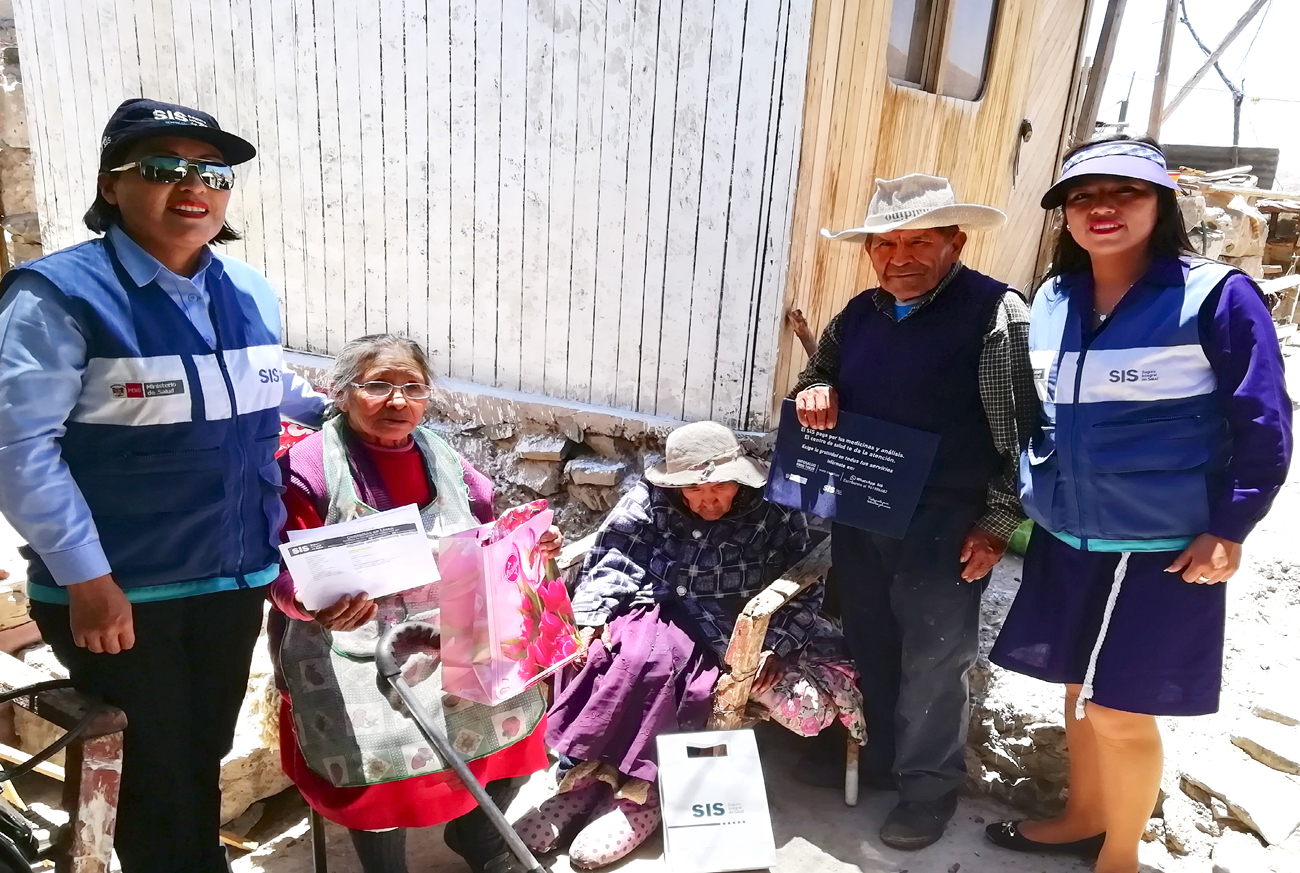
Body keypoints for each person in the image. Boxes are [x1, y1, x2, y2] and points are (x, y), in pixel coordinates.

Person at [0, 99, 328, 873]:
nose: (193, 187)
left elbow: (268, 397)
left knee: (201, 748)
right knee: (152, 766)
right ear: (112, 187)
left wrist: (366, 414)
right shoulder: (56, 297)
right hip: (122, 589)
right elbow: (19, 450)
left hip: (232, 572)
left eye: (211, 173)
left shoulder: (247, 288)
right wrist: (86, 577)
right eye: (162, 168)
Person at [985, 136, 1292, 873]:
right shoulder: (1053, 300)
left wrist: (1231, 525)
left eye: (1126, 192)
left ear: (1162, 205)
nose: (1103, 209)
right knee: (1075, 690)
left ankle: (1120, 854)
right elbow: (1046, 418)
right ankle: (1083, 816)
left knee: (1121, 707)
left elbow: (1265, 421)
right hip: (1067, 536)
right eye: (1084, 197)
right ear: (1064, 216)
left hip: (1161, 546)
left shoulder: (1214, 295)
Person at [793, 173, 1038, 849]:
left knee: (935, 657)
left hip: (947, 523)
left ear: (955, 242)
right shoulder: (860, 313)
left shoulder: (995, 315)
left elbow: (1020, 434)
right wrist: (814, 390)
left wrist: (996, 522)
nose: (899, 256)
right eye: (884, 242)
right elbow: (819, 375)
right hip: (864, 510)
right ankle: (875, 759)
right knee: (870, 638)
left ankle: (928, 789)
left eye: (919, 240)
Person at [269, 333, 561, 873]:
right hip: (352, 643)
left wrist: (531, 543)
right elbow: (280, 571)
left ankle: (480, 840)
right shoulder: (307, 466)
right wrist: (309, 605)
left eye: (412, 387)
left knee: (517, 723)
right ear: (341, 391)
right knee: (375, 760)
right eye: (378, 385)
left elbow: (485, 529)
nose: (397, 401)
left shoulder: (443, 455)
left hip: (451, 628)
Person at [512, 422, 864, 869]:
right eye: (695, 490)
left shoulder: (774, 511)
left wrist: (773, 645)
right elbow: (615, 555)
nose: (708, 499)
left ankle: (644, 796)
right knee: (616, 658)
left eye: (719, 487)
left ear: (738, 480)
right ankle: (583, 783)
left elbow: (803, 580)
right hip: (652, 605)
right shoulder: (649, 499)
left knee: (677, 678)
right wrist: (592, 617)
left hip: (729, 623)